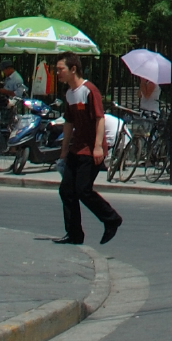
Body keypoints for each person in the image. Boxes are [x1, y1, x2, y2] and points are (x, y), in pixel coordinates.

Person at [53, 54, 123, 245]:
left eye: (61, 69)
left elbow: (100, 118)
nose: (58, 73)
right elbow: (69, 123)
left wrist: (98, 147)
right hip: (76, 149)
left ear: (73, 69)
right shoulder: (69, 93)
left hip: (91, 150)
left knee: (83, 190)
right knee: (66, 190)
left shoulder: (89, 90)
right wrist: (64, 151)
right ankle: (74, 234)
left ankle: (111, 219)